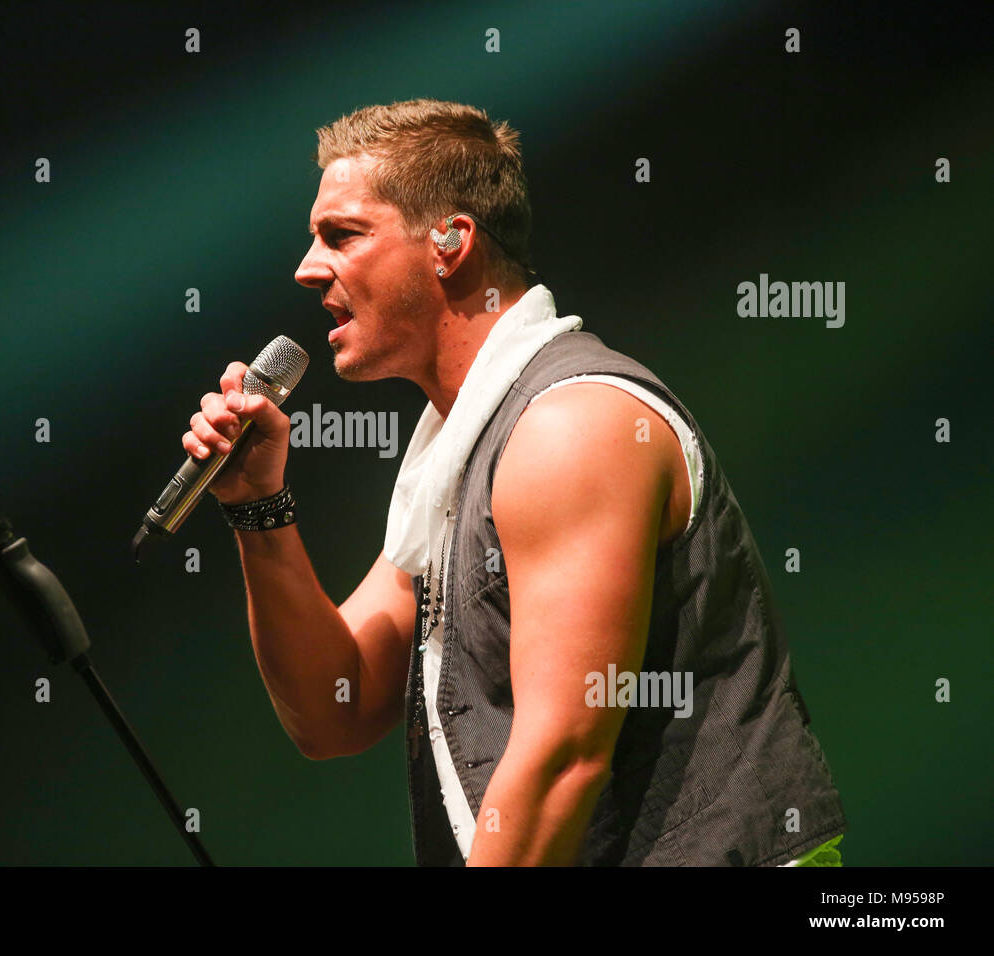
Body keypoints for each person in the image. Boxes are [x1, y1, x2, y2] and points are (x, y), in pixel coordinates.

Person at [182, 99, 847, 866]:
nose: (307, 267)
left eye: (342, 235)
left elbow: (561, 758)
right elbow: (339, 707)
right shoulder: (461, 448)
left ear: (449, 243)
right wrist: (258, 507)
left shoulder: (570, 426)